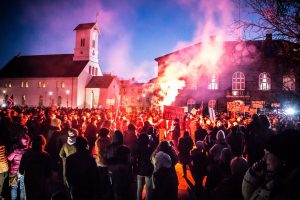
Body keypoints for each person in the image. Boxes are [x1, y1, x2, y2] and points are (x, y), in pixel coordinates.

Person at [242, 129, 300, 200]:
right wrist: (253, 176)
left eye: (268, 154)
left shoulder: (286, 192)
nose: (264, 158)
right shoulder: (273, 177)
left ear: (282, 157)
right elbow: (248, 197)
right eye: (265, 153)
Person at [19, 135, 52, 200]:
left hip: (29, 180)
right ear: (43, 144)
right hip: (41, 182)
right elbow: (49, 172)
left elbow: (21, 170)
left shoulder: (26, 154)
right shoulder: (46, 156)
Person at [66, 136, 99, 200]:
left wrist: (70, 187)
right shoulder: (90, 159)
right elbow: (95, 175)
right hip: (88, 188)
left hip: (76, 187)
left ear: (75, 146)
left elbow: (68, 175)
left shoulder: (70, 158)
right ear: (86, 145)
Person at [7, 134, 30, 200]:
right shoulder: (28, 151)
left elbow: (9, 158)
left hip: (13, 171)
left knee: (13, 187)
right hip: (23, 172)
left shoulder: (15, 150)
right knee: (22, 188)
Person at [136, 134, 154, 200]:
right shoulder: (149, 149)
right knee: (149, 189)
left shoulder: (137, 148)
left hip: (139, 170)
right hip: (148, 170)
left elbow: (135, 159)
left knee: (139, 188)